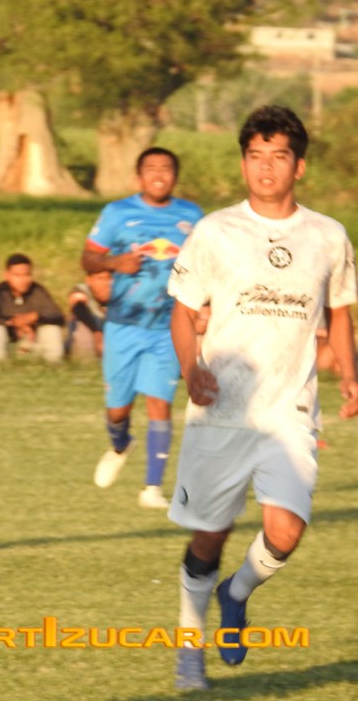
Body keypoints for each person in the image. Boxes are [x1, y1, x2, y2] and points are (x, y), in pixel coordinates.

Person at [166, 105, 358, 690]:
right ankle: (189, 648)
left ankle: (237, 592)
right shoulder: (215, 231)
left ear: (299, 166)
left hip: (288, 412)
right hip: (221, 412)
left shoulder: (328, 235)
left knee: (285, 531)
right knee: (210, 535)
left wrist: (350, 374)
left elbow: (340, 313)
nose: (266, 167)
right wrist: (191, 368)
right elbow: (182, 312)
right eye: (256, 156)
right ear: (243, 163)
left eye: (279, 156)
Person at [82, 147, 204, 508]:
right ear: (139, 176)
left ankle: (152, 488)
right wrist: (114, 262)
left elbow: (209, 263)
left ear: (175, 176)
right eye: (151, 168)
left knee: (159, 402)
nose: (159, 175)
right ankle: (121, 444)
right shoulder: (117, 212)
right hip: (123, 324)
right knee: (117, 409)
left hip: (169, 325)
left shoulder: (192, 216)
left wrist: (207, 305)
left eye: (166, 169)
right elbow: (88, 259)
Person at [0, 253, 65, 366]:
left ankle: (53, 366)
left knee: (52, 329)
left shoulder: (37, 291)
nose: (23, 280)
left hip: (28, 344)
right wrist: (15, 323)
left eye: (27, 275)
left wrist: (35, 317)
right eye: (17, 275)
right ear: (7, 275)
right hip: (2, 344)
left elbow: (57, 316)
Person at [65, 270, 111, 359]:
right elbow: (78, 306)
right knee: (81, 324)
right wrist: (96, 331)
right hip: (90, 329)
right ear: (89, 280)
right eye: (100, 279)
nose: (106, 283)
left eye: (109, 278)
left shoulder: (118, 292)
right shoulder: (81, 290)